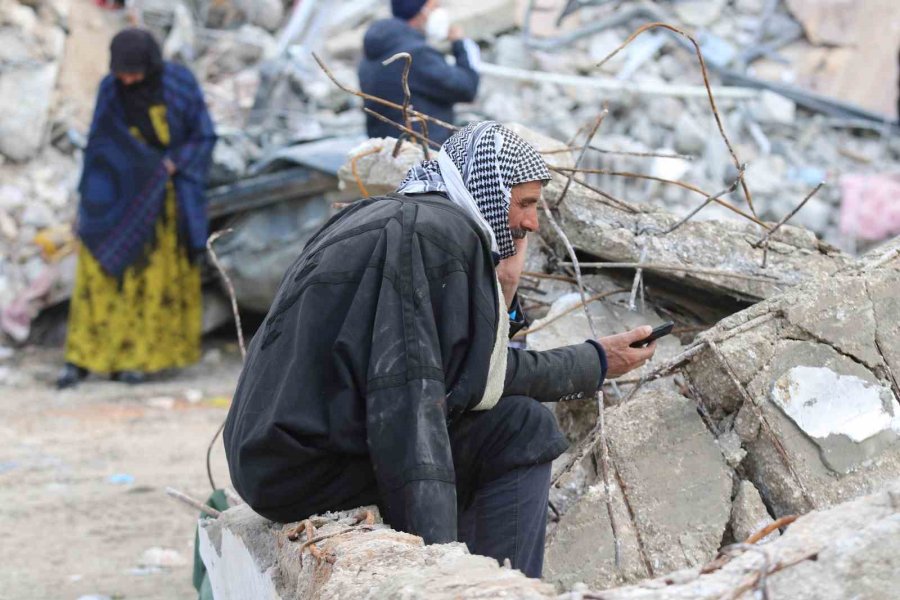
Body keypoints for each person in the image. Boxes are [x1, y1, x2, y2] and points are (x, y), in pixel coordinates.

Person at [224, 121, 656, 578]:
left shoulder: (391, 216)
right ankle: (502, 587)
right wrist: (437, 566)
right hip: (305, 470)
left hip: (271, 461)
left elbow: (467, 376)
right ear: (488, 189)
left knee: (509, 420)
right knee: (522, 428)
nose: (531, 223)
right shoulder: (439, 235)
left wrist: (591, 358)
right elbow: (409, 395)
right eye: (525, 204)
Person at [57, 28, 216, 388]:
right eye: (120, 72)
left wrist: (175, 163)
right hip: (114, 197)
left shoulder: (178, 83)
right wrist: (91, 201)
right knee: (98, 275)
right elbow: (99, 144)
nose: (127, 79)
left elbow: (203, 135)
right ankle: (84, 357)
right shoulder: (110, 89)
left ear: (151, 65)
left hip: (160, 200)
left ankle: (138, 359)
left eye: (133, 72)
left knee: (149, 281)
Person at [358, 0, 480, 144]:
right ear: (421, 11)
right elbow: (467, 87)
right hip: (421, 153)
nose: (439, 11)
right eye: (435, 6)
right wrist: (461, 44)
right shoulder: (417, 55)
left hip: (389, 151)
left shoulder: (375, 52)